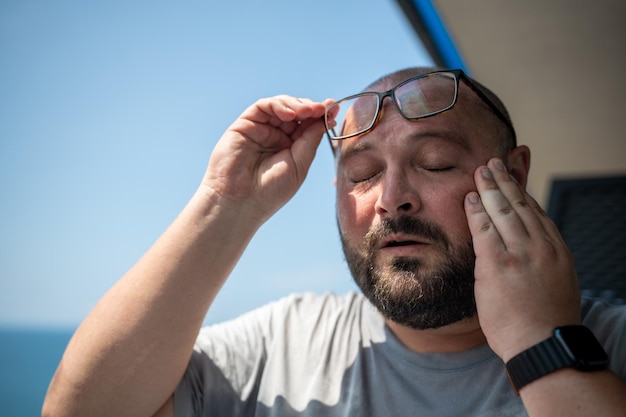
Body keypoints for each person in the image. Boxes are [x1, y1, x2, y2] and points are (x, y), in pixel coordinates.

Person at [43, 67, 626, 417]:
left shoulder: (613, 345)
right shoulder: (282, 345)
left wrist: (541, 346)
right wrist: (227, 204)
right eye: (361, 174)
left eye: (436, 162)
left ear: (514, 177)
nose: (391, 197)